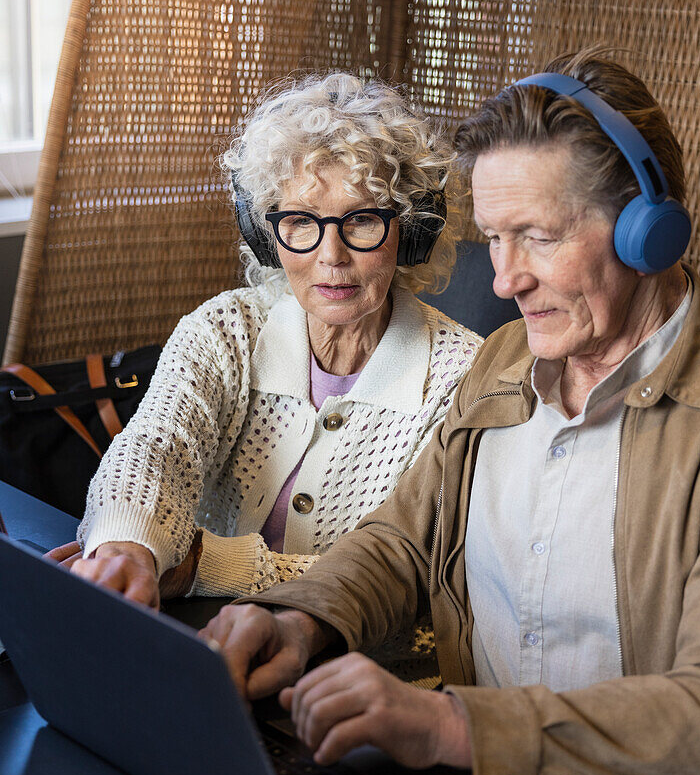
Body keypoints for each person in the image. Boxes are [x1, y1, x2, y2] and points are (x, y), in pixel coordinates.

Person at [200, 49, 700, 775]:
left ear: (647, 231)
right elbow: (402, 543)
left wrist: (455, 728)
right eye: (493, 239)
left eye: (535, 236)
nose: (502, 281)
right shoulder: (506, 360)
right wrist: (296, 621)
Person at [53, 73, 481, 678]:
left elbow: (419, 580)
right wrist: (128, 544)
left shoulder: (463, 377)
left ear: (407, 232)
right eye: (300, 221)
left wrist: (205, 565)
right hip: (200, 654)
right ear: (266, 231)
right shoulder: (226, 330)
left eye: (360, 221)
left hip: (363, 687)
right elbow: (155, 448)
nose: (330, 256)